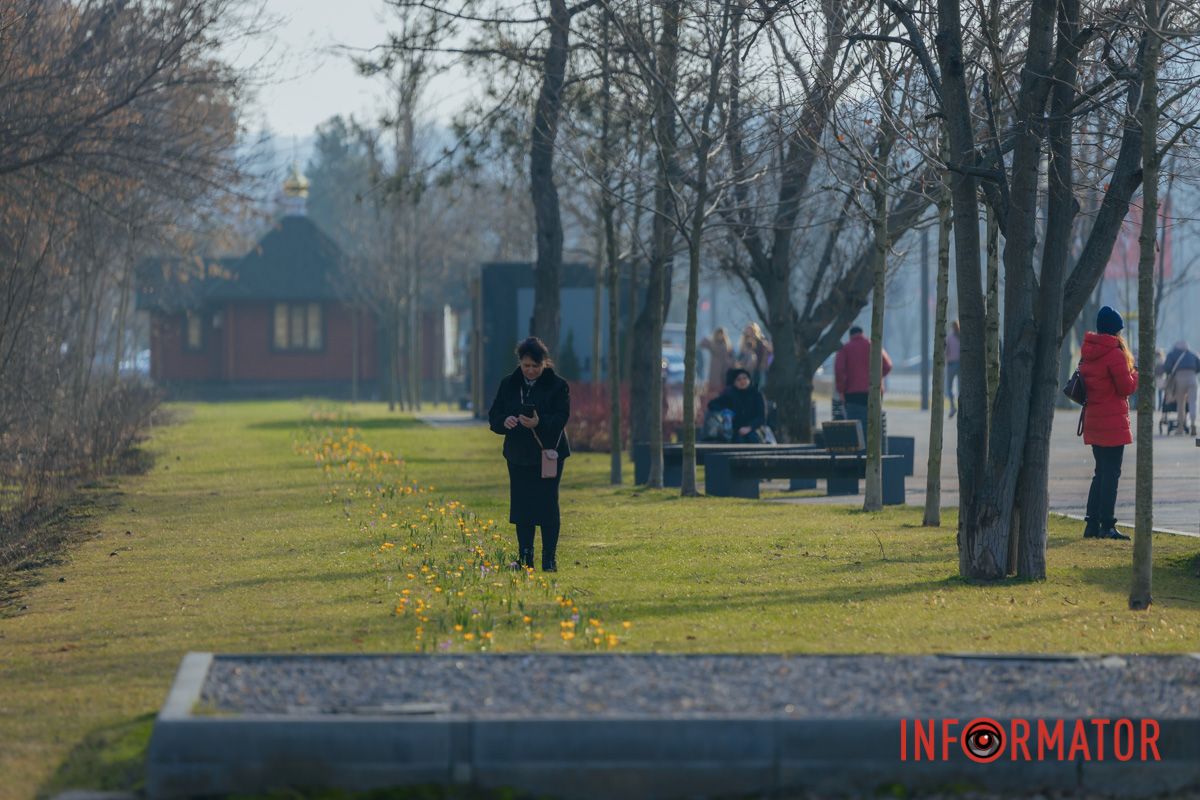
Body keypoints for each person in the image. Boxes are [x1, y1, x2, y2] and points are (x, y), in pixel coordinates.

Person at [487, 337, 571, 571]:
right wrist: (506, 420)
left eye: (535, 366)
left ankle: (549, 559)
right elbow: (494, 416)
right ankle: (525, 559)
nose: (531, 370)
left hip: (549, 454)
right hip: (518, 455)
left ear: (545, 363)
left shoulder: (558, 385)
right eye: (526, 366)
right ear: (520, 364)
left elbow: (562, 417)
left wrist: (538, 422)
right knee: (522, 506)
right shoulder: (509, 384)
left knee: (547, 505)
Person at [1079, 306, 1138, 541]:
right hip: (1112, 423)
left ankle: (1091, 524)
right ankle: (1107, 525)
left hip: (1094, 420)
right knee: (1111, 474)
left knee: (1100, 473)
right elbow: (1126, 387)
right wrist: (1136, 374)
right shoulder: (1114, 354)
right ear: (1115, 330)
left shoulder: (1088, 351)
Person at [834, 325, 892, 432]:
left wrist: (841, 390)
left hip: (852, 395)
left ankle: (858, 448)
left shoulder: (845, 348)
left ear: (850, 335)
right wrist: (876, 379)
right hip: (873, 392)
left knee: (855, 428)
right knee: (872, 426)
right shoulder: (873, 346)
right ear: (862, 333)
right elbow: (887, 366)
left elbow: (839, 370)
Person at [707, 368, 766, 443]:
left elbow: (761, 418)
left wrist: (749, 427)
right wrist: (726, 412)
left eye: (745, 378)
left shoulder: (757, 395)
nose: (742, 381)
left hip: (754, 429)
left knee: (752, 438)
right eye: (739, 379)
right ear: (734, 382)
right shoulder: (730, 395)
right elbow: (712, 404)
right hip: (735, 431)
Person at [1163, 340, 1199, 435]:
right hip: (1192, 377)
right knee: (1192, 403)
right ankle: (1193, 424)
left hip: (1179, 378)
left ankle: (1180, 428)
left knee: (1181, 404)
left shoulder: (1172, 353)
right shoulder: (1193, 354)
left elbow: (1167, 367)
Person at [700, 327, 735, 395]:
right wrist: (710, 339)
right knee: (713, 391)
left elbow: (731, 358)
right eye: (718, 334)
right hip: (715, 372)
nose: (720, 336)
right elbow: (702, 343)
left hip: (724, 371)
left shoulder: (726, 345)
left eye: (721, 334)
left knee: (722, 391)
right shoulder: (713, 343)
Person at [737, 323, 772, 389]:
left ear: (755, 331)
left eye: (751, 330)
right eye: (748, 330)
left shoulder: (760, 342)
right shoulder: (744, 342)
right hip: (747, 370)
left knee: (758, 387)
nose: (749, 332)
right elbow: (740, 357)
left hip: (759, 369)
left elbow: (764, 355)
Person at [945, 320, 961, 417]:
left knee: (949, 387)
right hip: (960, 364)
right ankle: (961, 407)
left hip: (951, 364)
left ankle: (952, 406)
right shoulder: (961, 337)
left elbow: (946, 351)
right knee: (960, 387)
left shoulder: (949, 338)